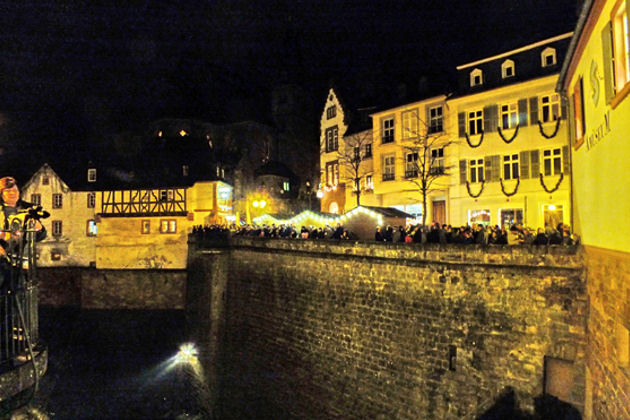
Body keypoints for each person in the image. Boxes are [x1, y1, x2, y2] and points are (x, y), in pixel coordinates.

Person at [0, 177, 47, 290]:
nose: (13, 193)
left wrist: (39, 228)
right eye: (8, 191)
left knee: (19, 295)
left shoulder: (27, 209)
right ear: (1, 193)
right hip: (2, 261)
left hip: (22, 261)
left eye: (15, 190)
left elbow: (40, 236)